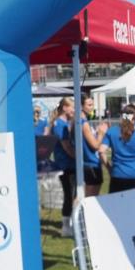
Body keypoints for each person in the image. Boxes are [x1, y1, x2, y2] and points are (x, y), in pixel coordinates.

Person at [100, 103, 135, 192]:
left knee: (118, 205)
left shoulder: (112, 131)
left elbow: (101, 151)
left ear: (122, 116)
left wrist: (109, 168)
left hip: (118, 174)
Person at [50, 97, 77, 235]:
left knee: (73, 194)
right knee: (69, 194)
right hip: (65, 165)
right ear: (65, 108)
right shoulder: (59, 124)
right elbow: (66, 146)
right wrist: (79, 157)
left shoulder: (65, 123)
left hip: (69, 164)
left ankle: (71, 223)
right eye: (72, 107)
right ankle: (66, 226)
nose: (74, 110)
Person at [75, 95, 109, 197]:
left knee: (84, 196)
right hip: (91, 163)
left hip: (87, 163)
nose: (92, 107)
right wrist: (101, 133)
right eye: (89, 105)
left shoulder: (81, 121)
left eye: (92, 104)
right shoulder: (83, 123)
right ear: (81, 106)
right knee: (91, 199)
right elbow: (95, 145)